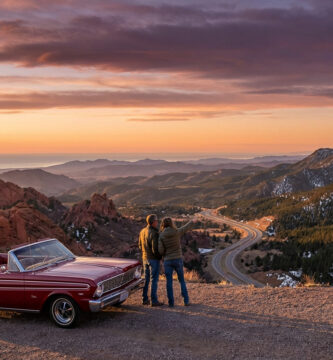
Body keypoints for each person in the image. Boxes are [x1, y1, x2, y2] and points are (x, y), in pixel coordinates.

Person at [158, 217, 195, 307]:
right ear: (171, 223)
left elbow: (160, 251)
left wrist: (165, 254)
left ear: (163, 224)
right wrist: (192, 221)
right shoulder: (176, 232)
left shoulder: (161, 236)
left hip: (167, 260)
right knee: (181, 280)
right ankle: (186, 300)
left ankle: (171, 303)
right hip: (178, 259)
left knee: (169, 282)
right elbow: (185, 228)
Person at [138, 214, 163, 306]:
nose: (157, 222)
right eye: (156, 221)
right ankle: (154, 301)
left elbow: (140, 245)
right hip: (153, 259)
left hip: (145, 258)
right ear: (153, 222)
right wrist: (159, 257)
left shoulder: (142, 231)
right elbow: (155, 249)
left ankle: (144, 299)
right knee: (154, 280)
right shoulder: (154, 233)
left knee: (146, 279)